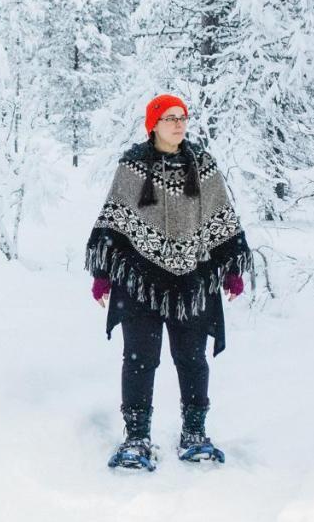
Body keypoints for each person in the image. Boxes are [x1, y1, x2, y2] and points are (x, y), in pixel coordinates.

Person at [85, 94, 251, 471]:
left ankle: (194, 433)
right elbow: (114, 222)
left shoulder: (203, 166)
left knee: (192, 359)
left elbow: (220, 217)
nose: (179, 124)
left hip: (193, 281)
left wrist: (232, 267)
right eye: (170, 118)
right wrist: (103, 275)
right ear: (153, 124)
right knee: (140, 359)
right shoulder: (133, 168)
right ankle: (136, 437)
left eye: (183, 117)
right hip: (139, 283)